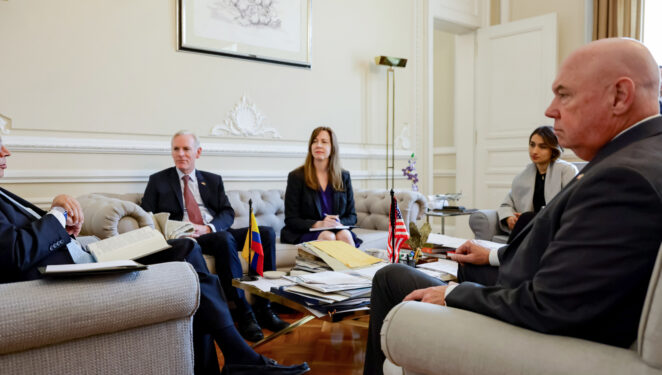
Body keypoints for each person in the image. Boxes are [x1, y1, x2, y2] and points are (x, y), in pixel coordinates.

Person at [0, 107, 309, 375]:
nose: (5, 152)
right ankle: (239, 357)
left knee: (187, 252)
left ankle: (225, 361)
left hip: (75, 254)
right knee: (187, 258)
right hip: (65, 273)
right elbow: (14, 252)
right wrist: (58, 217)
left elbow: (15, 237)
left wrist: (57, 218)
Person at [364, 38, 662, 374]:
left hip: (521, 318)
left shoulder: (622, 179)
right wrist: (493, 254)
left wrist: (455, 293)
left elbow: (550, 305)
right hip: (520, 280)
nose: (551, 109)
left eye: (564, 94)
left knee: (390, 277)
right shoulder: (637, 156)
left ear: (620, 96)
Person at [140, 130, 289, 342]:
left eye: (186, 149)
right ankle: (244, 313)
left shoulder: (212, 180)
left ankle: (264, 307)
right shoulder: (158, 181)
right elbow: (146, 215)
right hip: (188, 238)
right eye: (176, 149)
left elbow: (227, 212)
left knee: (264, 233)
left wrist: (210, 227)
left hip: (212, 232)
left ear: (198, 152)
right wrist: (175, 230)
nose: (181, 154)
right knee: (224, 239)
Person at [281, 126, 361, 247]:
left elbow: (352, 216)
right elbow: (291, 219)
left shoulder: (344, 176)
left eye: (324, 142)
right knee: (328, 236)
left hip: (336, 230)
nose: (318, 145)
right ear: (310, 146)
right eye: (315, 141)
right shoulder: (296, 177)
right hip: (305, 232)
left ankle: (356, 266)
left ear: (332, 148)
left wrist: (337, 222)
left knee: (344, 235)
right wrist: (319, 224)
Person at [497, 125, 578, 240]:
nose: (534, 151)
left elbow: (571, 204)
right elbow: (506, 204)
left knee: (526, 218)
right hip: (531, 227)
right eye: (532, 145)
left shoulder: (567, 171)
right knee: (526, 219)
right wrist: (509, 217)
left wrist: (536, 217)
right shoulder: (522, 176)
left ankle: (507, 254)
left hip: (556, 224)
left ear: (553, 149)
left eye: (542, 147)